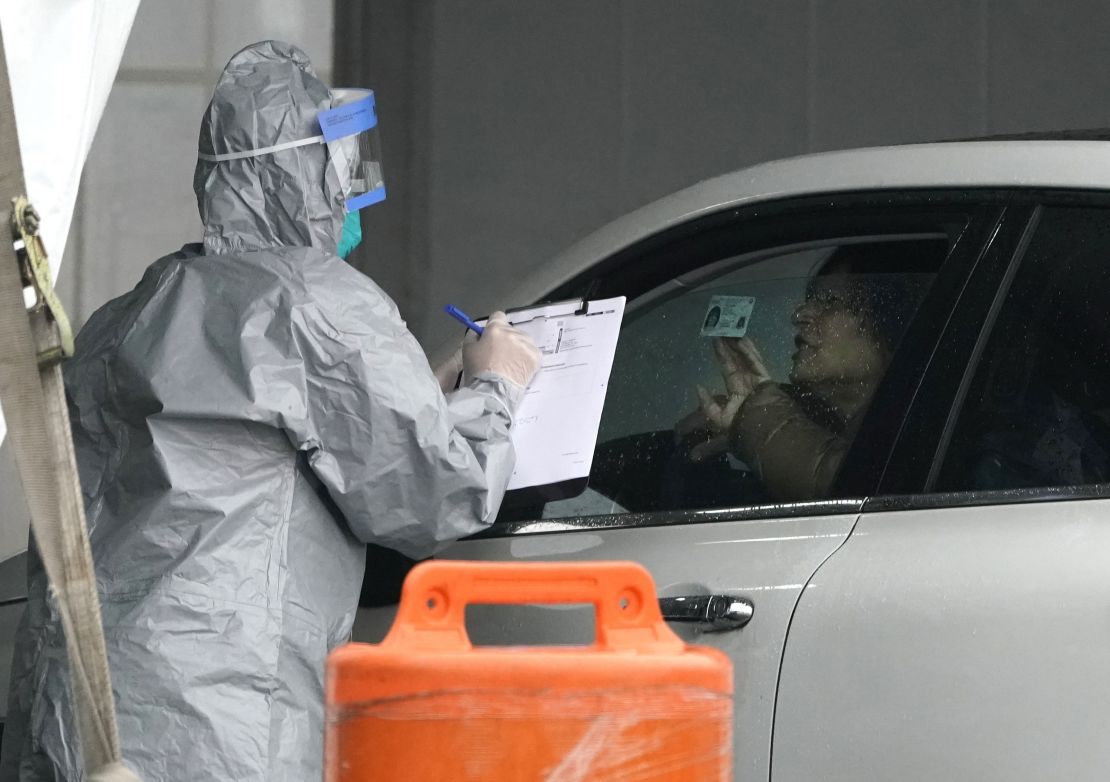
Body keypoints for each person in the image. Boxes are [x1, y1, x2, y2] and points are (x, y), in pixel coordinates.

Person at [1, 41, 541, 781]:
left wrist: (423, 393)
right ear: (303, 176)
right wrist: (495, 388)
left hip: (73, 718)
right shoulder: (315, 300)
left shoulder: (130, 311)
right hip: (214, 726)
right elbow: (438, 493)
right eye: (344, 167)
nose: (353, 189)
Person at [679, 245, 932, 501]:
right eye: (810, 301)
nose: (799, 315)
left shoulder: (923, 434)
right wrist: (745, 418)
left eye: (829, 302)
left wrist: (756, 419)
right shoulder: (817, 420)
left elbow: (861, 489)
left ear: (890, 321)